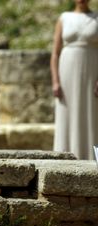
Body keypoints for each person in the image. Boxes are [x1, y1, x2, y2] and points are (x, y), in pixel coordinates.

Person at [51, 0, 98, 160]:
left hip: (91, 73)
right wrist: (56, 81)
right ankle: (63, 160)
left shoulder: (97, 17)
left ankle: (94, 160)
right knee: (67, 115)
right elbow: (55, 53)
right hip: (67, 73)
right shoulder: (64, 18)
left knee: (92, 115)